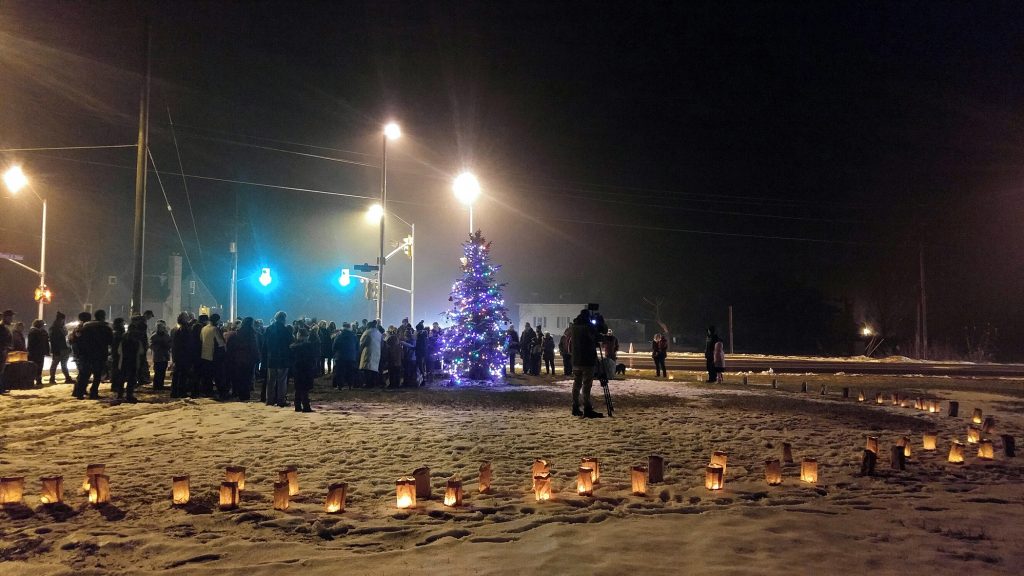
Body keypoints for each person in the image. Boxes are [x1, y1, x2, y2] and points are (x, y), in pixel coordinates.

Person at [569, 311, 602, 418]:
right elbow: (598, 336)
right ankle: (587, 408)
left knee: (577, 384)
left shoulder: (574, 327)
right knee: (587, 385)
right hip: (587, 360)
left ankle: (575, 407)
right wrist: (600, 322)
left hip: (576, 360)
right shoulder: (588, 327)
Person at [76, 309, 113, 399]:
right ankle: (93, 392)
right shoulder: (106, 328)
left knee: (85, 374)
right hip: (100, 354)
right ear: (103, 317)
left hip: (86, 355)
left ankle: (80, 393)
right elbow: (111, 341)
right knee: (97, 375)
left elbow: (79, 341)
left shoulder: (86, 328)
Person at [265, 311, 292, 406]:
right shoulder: (285, 330)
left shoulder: (269, 329)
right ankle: (281, 400)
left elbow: (265, 344)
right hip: (283, 359)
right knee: (282, 380)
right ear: (283, 319)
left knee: (270, 381)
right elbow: (290, 343)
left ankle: (269, 400)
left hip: (271, 358)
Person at [290, 327, 318, 412]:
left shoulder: (293, 347)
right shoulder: (308, 346)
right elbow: (312, 358)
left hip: (297, 369)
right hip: (306, 369)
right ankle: (306, 406)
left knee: (298, 388)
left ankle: (297, 405)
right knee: (305, 388)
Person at [200, 313, 227, 398]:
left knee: (207, 376)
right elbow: (220, 343)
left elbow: (201, 340)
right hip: (214, 356)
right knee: (218, 376)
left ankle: (208, 392)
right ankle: (222, 393)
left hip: (204, 355)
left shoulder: (203, 329)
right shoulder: (215, 329)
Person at [170, 313, 192, 398]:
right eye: (186, 317)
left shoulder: (177, 330)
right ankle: (181, 391)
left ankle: (175, 391)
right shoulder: (185, 330)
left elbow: (175, 345)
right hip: (184, 356)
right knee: (182, 374)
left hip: (178, 356)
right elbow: (187, 343)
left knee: (177, 374)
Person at [49, 311, 74, 384]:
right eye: (63, 319)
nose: (64, 321)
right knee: (56, 364)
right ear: (61, 319)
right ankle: (53, 378)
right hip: (60, 349)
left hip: (63, 349)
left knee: (61, 364)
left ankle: (66, 378)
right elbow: (54, 340)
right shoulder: (55, 328)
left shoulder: (59, 327)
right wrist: (56, 350)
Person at [332, 321, 358, 388]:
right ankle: (350, 385)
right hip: (351, 357)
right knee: (350, 372)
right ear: (350, 328)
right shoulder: (354, 336)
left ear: (343, 328)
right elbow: (357, 347)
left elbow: (334, 346)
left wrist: (335, 354)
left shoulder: (339, 336)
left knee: (340, 372)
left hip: (340, 357)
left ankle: (340, 386)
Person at [358, 319, 382, 387]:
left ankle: (368, 383)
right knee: (373, 369)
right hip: (377, 353)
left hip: (368, 352)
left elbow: (362, 343)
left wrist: (359, 351)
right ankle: (373, 383)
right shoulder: (378, 333)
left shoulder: (367, 332)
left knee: (367, 369)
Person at [27, 319, 50, 387]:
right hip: (35, 353)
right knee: (35, 367)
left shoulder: (41, 332)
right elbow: (32, 344)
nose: (44, 326)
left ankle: (38, 380)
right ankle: (32, 381)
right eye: (43, 325)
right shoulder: (33, 332)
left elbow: (45, 341)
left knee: (39, 367)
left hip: (40, 353)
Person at [150, 321, 172, 390]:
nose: (161, 329)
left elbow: (170, 344)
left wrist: (166, 345)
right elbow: (151, 346)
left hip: (164, 356)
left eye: (162, 328)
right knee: (157, 372)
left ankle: (160, 385)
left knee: (162, 372)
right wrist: (158, 346)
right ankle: (156, 385)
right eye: (160, 328)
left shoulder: (166, 336)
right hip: (157, 357)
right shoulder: (154, 336)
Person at [0, 309, 13, 392]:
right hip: (1, 351)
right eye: (10, 317)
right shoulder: (1, 328)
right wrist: (4, 348)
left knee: (1, 370)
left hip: (4, 351)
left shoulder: (5, 328)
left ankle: (1, 387)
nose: (11, 319)